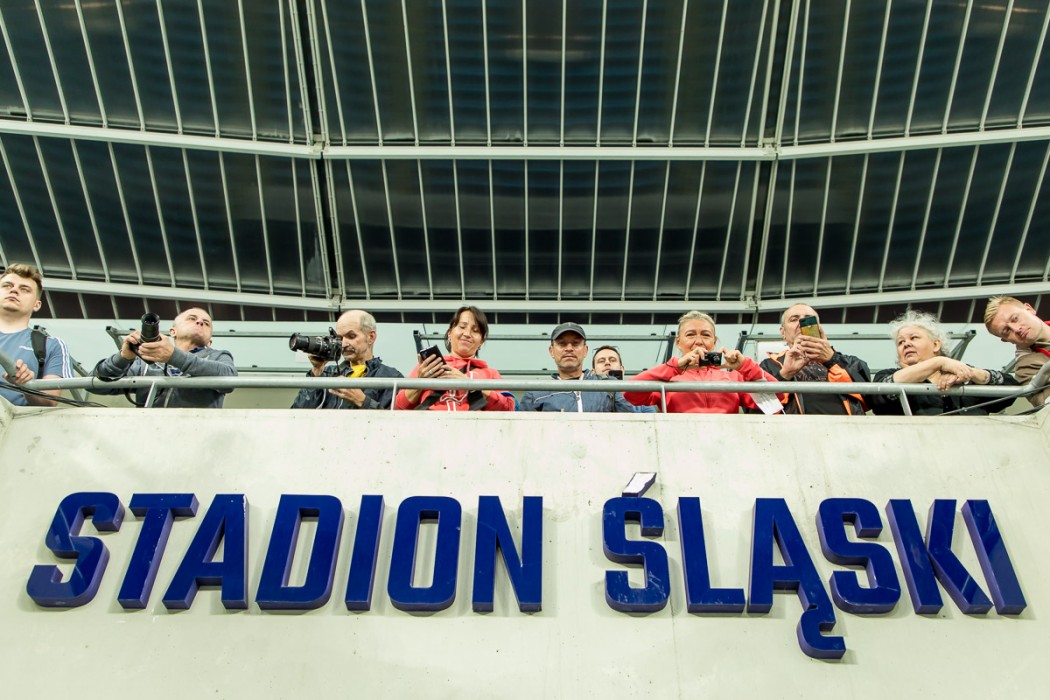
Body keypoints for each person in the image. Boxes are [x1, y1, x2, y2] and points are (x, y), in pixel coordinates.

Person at [624, 311, 782, 414]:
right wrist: (675, 366)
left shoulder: (733, 377)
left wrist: (744, 365)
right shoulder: (667, 377)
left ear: (714, 342)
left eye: (706, 335)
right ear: (678, 342)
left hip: (726, 446)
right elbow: (630, 393)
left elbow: (779, 395)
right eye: (690, 335)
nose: (698, 341)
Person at [869, 310, 1016, 416]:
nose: (906, 344)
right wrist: (938, 362)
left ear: (936, 345)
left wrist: (971, 373)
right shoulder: (886, 375)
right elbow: (880, 396)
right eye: (901, 342)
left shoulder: (964, 374)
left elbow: (1011, 390)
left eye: (914, 338)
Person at [92, 307, 237, 408]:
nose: (199, 322)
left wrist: (173, 356)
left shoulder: (218, 356)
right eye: (192, 319)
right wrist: (123, 358)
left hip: (197, 434)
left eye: (206, 323)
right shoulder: (144, 363)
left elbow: (229, 381)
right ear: (173, 331)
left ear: (209, 342)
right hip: (149, 434)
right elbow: (94, 385)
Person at [394, 306, 515, 411]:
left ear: (481, 342)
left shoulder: (490, 374)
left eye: (475, 330)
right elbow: (397, 408)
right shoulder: (427, 367)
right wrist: (420, 383)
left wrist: (469, 384)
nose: (467, 334)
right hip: (430, 427)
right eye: (462, 327)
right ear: (450, 333)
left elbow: (509, 407)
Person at [758, 304, 870, 415]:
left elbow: (869, 399)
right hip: (794, 426)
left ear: (819, 328)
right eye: (794, 319)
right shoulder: (769, 366)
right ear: (783, 332)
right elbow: (758, 409)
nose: (801, 323)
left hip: (847, 425)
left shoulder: (851, 362)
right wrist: (785, 375)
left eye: (809, 319)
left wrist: (832, 359)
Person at [291, 310, 402, 410]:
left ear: (371, 337)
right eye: (339, 338)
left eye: (351, 336)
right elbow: (296, 415)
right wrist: (317, 370)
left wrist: (363, 401)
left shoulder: (390, 377)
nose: (343, 344)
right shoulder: (327, 373)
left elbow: (396, 422)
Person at [0, 263, 73, 407]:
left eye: (24, 289)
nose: (14, 290)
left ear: (37, 305)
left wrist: (26, 384)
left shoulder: (52, 345)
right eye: (7, 286)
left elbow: (50, 401)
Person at [518, 324, 635, 412]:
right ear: (551, 351)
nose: (569, 348)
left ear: (585, 350)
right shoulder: (536, 394)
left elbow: (631, 425)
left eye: (575, 343)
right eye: (562, 344)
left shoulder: (609, 386)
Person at [983, 296, 1050, 407]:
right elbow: (1045, 404)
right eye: (1007, 331)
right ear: (1005, 340)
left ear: (1029, 309)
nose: (1016, 329)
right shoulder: (1026, 369)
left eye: (1015, 319)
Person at [591, 344, 657, 413]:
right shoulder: (585, 398)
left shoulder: (640, 400)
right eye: (601, 361)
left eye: (612, 360)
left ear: (622, 370)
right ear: (593, 372)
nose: (607, 363)